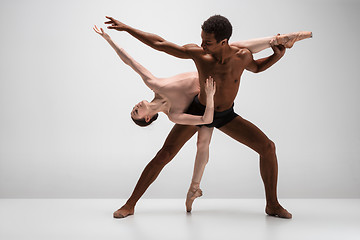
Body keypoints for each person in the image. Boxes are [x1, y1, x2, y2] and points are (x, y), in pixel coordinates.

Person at [104, 15, 310, 219]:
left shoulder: (242, 56)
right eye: (202, 39)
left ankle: (272, 205)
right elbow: (160, 44)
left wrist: (276, 56)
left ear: (224, 41)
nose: (202, 44)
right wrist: (127, 28)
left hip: (225, 115)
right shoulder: (199, 55)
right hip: (198, 110)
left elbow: (256, 68)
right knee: (165, 154)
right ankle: (130, 204)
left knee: (268, 147)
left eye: (208, 42)